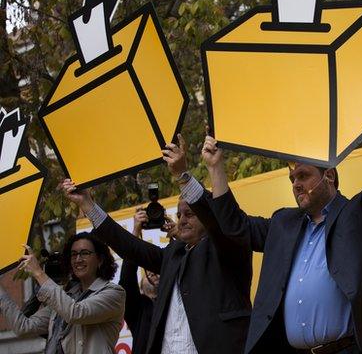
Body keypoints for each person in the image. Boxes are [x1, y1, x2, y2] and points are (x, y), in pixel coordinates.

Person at [198, 88, 362, 353]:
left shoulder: (357, 212)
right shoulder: (283, 223)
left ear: (329, 176)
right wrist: (215, 167)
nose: (296, 184)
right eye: (292, 179)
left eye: (303, 176)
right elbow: (235, 226)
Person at [61, 134, 252, 354]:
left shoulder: (227, 247)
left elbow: (218, 220)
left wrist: (182, 175)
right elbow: (129, 246)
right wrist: (87, 204)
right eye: (179, 214)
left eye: (189, 213)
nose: (182, 220)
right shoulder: (173, 254)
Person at [0, 233, 125, 354]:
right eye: (73, 254)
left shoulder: (113, 293)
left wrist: (39, 273)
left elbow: (75, 313)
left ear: (100, 260)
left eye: (85, 253)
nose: (78, 259)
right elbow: (23, 327)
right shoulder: (67, 296)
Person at [117, 209, 176, 354]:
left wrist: (178, 236)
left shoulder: (178, 297)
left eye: (157, 268)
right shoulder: (138, 308)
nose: (154, 272)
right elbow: (127, 279)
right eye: (149, 269)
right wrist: (136, 231)